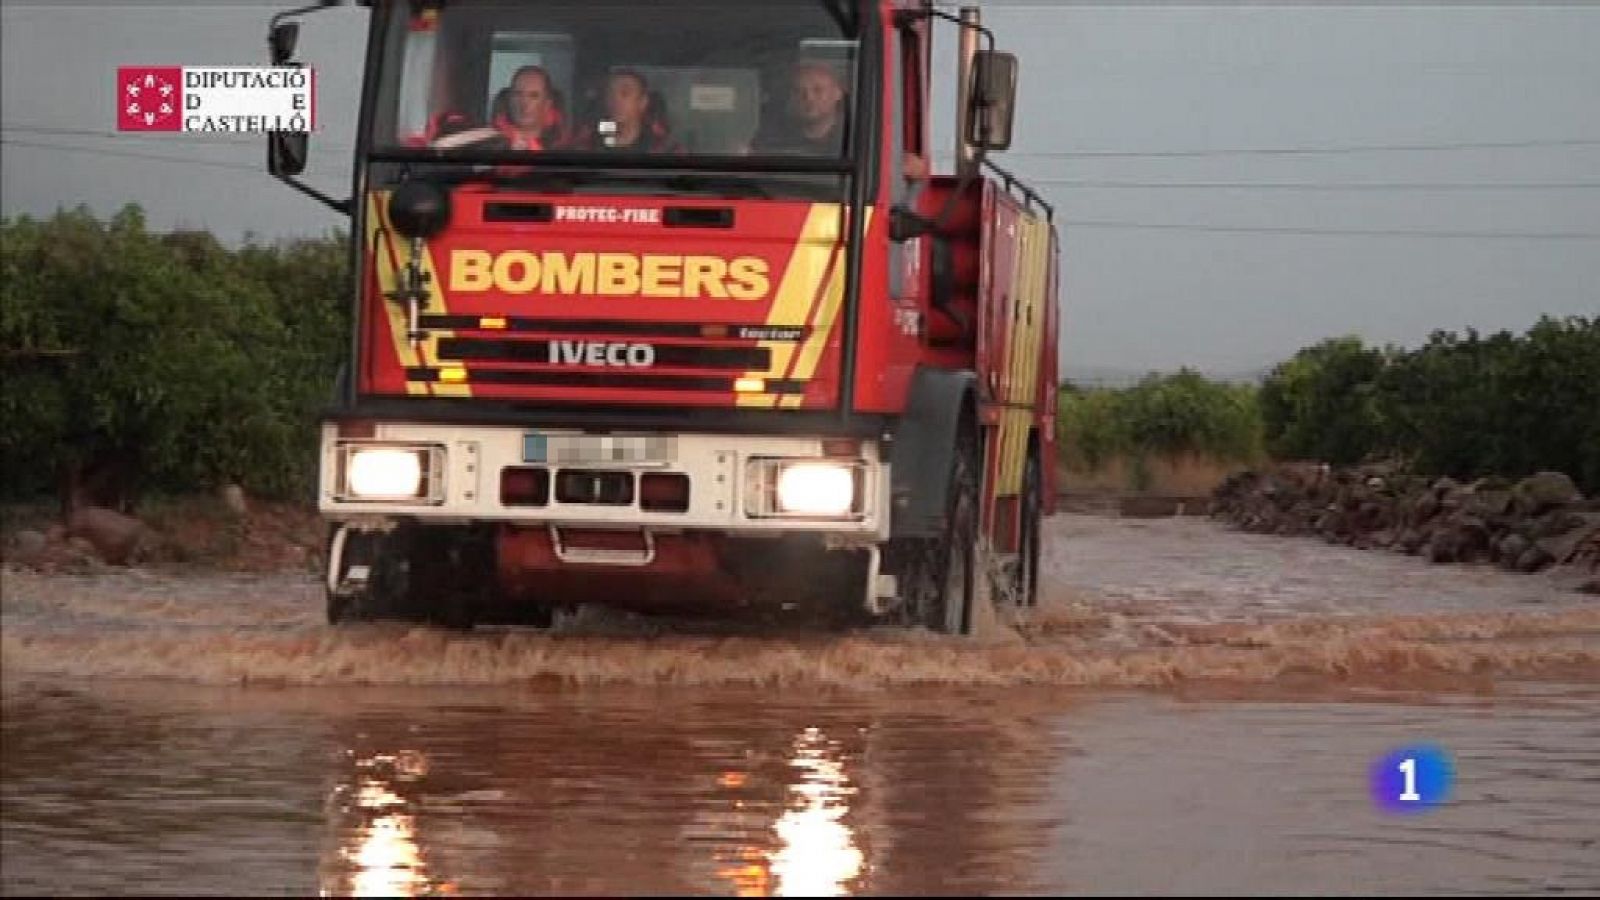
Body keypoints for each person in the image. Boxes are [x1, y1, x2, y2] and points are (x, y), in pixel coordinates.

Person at [750, 59, 847, 155]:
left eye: (818, 90)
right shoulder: (769, 137)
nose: (809, 98)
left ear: (837, 93)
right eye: (798, 91)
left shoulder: (852, 138)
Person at [573, 69, 681, 153]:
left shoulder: (666, 149)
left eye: (625, 93)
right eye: (610, 94)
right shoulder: (584, 145)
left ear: (643, 102)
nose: (616, 100)